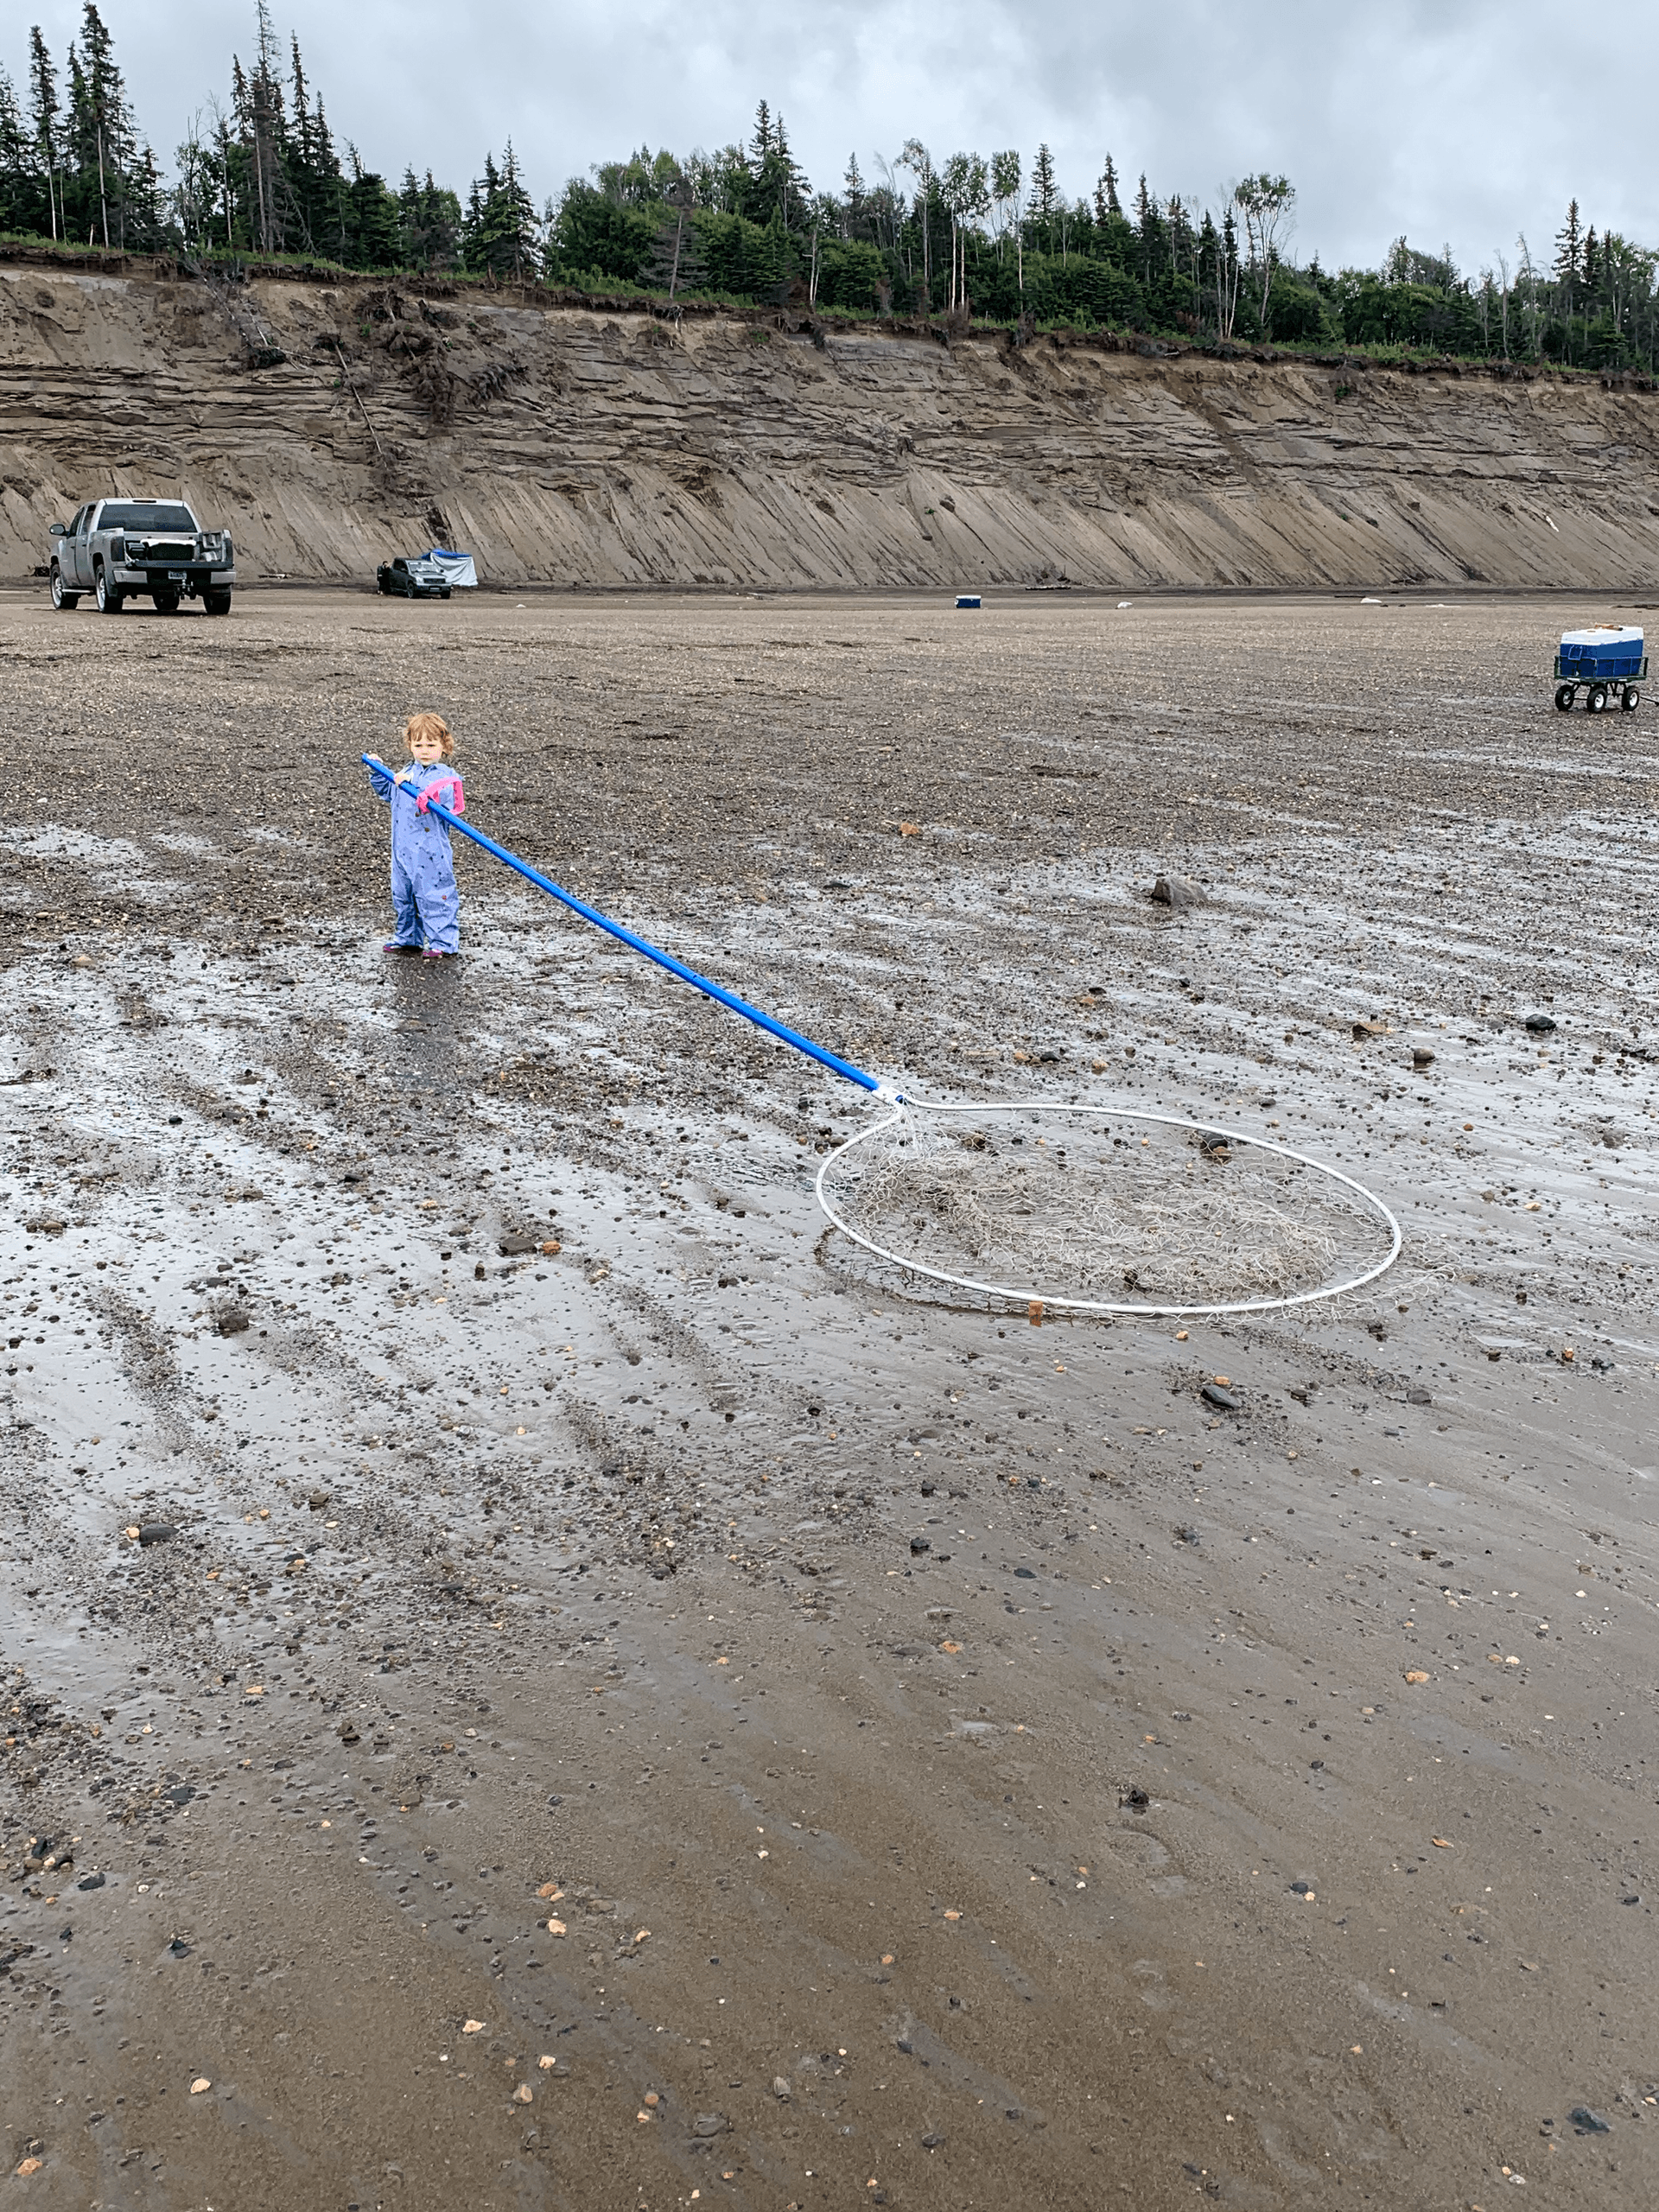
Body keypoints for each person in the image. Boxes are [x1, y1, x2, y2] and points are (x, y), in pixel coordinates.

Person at [366, 712, 464, 958]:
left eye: (431, 745)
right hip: (402, 849)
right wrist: (378, 771)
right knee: (403, 893)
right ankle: (408, 938)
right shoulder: (405, 771)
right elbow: (388, 791)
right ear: (410, 745)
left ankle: (444, 941)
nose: (424, 750)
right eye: (418, 745)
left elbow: (446, 800)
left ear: (444, 746)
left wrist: (417, 790)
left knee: (435, 894)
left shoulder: (445, 777)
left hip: (431, 851)